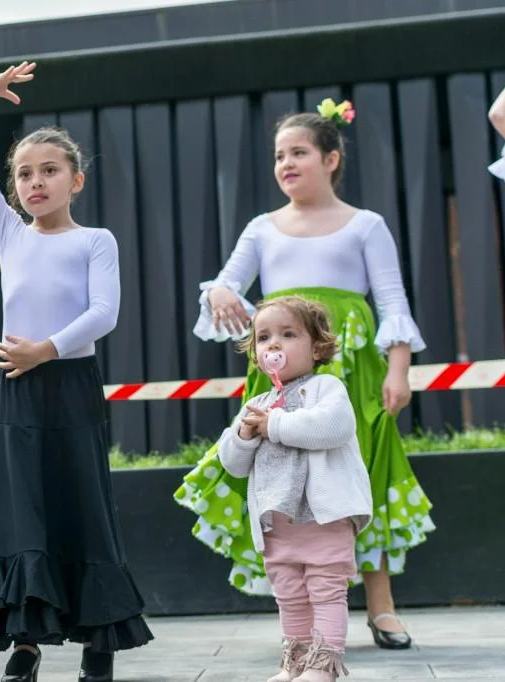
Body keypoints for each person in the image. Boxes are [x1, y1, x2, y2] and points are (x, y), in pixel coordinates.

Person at [175, 99, 432, 650]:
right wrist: (220, 292)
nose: (286, 164)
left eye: (298, 153)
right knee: (283, 478)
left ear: (331, 159)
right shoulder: (262, 229)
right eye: (279, 155)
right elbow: (226, 283)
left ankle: (382, 607)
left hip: (355, 375)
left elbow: (392, 302)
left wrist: (399, 370)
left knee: (363, 475)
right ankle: (304, 614)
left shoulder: (365, 225)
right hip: (279, 383)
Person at [0, 62, 153, 682]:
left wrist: (46, 349)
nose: (35, 182)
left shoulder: (95, 240)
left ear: (76, 179)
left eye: (49, 171)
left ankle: (100, 638)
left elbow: (104, 313)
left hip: (71, 386)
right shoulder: (10, 233)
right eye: (24, 173)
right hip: (16, 389)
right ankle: (27, 640)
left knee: (82, 504)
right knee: (20, 510)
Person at [217, 296, 372, 681]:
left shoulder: (326, 388)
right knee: (289, 594)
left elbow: (333, 428)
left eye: (288, 334)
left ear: (317, 347)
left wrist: (274, 425)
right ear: (256, 354)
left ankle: (323, 667)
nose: (274, 344)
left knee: (326, 590)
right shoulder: (258, 403)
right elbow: (233, 463)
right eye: (264, 337)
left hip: (324, 517)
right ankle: (296, 664)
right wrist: (245, 434)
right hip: (279, 522)